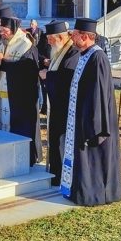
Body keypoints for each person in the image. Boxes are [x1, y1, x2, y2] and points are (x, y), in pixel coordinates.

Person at [60, 18, 121, 206]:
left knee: (94, 156)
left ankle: (94, 193)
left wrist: (93, 124)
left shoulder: (97, 57)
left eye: (75, 34)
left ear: (86, 36)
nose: (72, 38)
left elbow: (99, 93)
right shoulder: (84, 54)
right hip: (80, 115)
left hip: (92, 119)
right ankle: (79, 190)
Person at [0, 16, 42, 166]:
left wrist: (3, 61)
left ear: (13, 30)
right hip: (3, 93)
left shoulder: (25, 44)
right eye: (0, 31)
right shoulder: (4, 42)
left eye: (4, 31)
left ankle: (24, 158)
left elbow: (26, 70)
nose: (2, 34)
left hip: (20, 96)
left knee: (20, 126)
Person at [39, 20, 80, 186]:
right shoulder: (60, 50)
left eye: (50, 38)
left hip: (66, 105)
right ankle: (55, 172)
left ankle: (62, 173)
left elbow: (67, 77)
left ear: (61, 37)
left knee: (62, 140)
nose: (48, 42)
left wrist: (47, 76)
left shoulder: (73, 52)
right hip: (56, 104)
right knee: (55, 139)